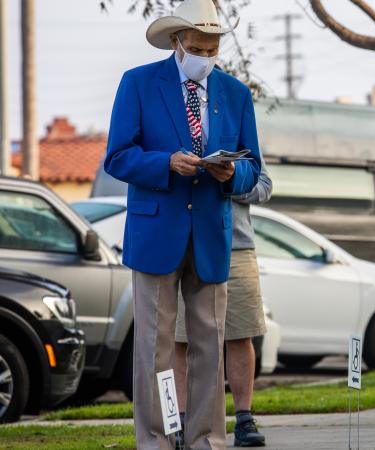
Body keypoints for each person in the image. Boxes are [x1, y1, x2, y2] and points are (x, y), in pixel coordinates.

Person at [104, 0, 262, 447]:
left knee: (210, 346)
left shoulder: (236, 93)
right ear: (177, 42)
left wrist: (233, 173)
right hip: (155, 234)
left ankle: (206, 440)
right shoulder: (137, 84)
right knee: (153, 348)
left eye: (212, 49)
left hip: (212, 233)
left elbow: (254, 167)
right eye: (196, 47)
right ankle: (155, 440)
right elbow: (117, 156)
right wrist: (165, 163)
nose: (205, 57)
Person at [173, 163, 272, 448]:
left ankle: (244, 418)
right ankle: (180, 421)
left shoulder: (237, 128)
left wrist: (229, 180)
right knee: (181, 338)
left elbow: (264, 186)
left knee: (241, 333)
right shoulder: (177, 128)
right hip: (187, 244)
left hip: (236, 245)